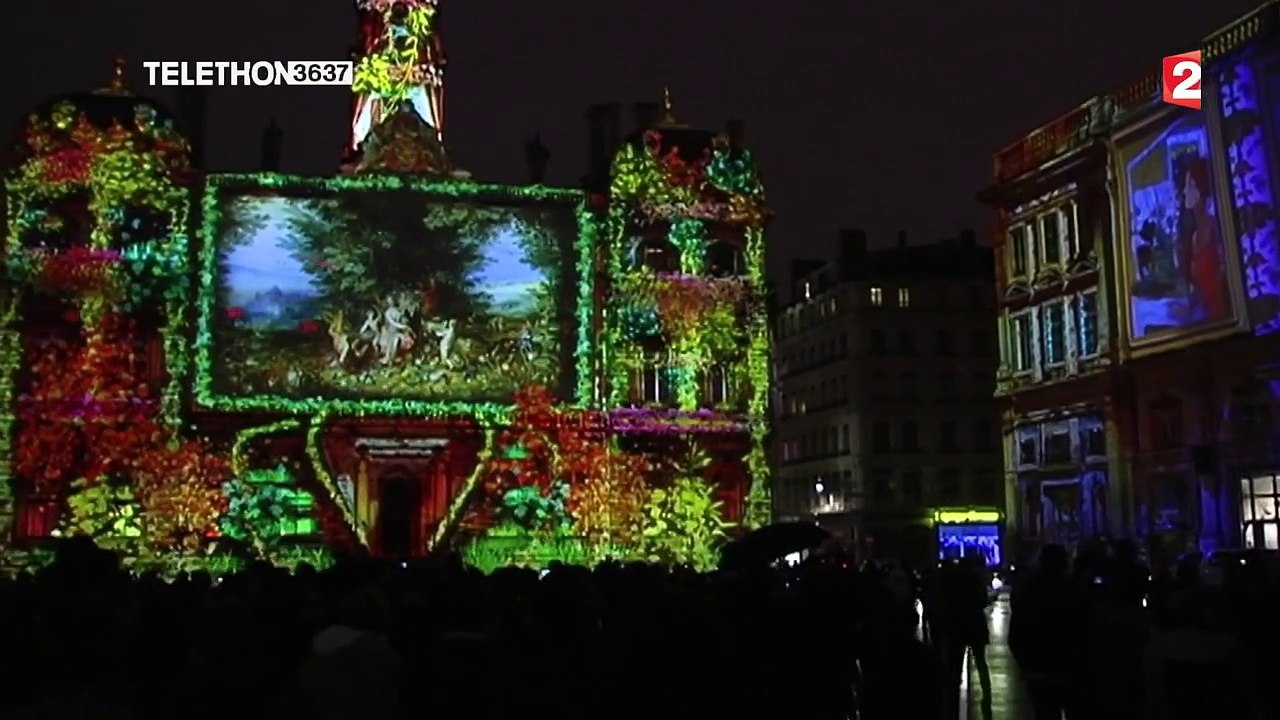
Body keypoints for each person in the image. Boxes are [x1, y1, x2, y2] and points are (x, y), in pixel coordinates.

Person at [1009, 544, 1082, 720]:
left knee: (1045, 713)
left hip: (1038, 670)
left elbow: (1017, 632)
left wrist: (1025, 664)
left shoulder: (1029, 591)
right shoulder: (1074, 591)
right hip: (1070, 669)